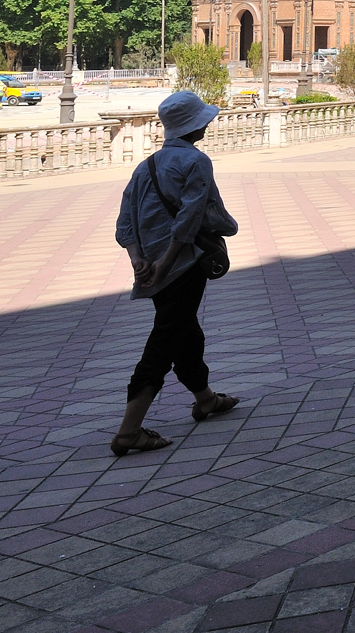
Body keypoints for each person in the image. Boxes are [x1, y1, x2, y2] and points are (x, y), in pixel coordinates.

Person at [110, 89, 241, 457]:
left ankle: (206, 399)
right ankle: (129, 431)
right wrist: (166, 263)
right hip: (182, 264)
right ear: (193, 127)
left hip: (152, 266)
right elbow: (190, 217)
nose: (207, 126)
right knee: (165, 340)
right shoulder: (196, 162)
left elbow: (125, 221)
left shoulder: (146, 166)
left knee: (184, 330)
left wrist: (139, 260)